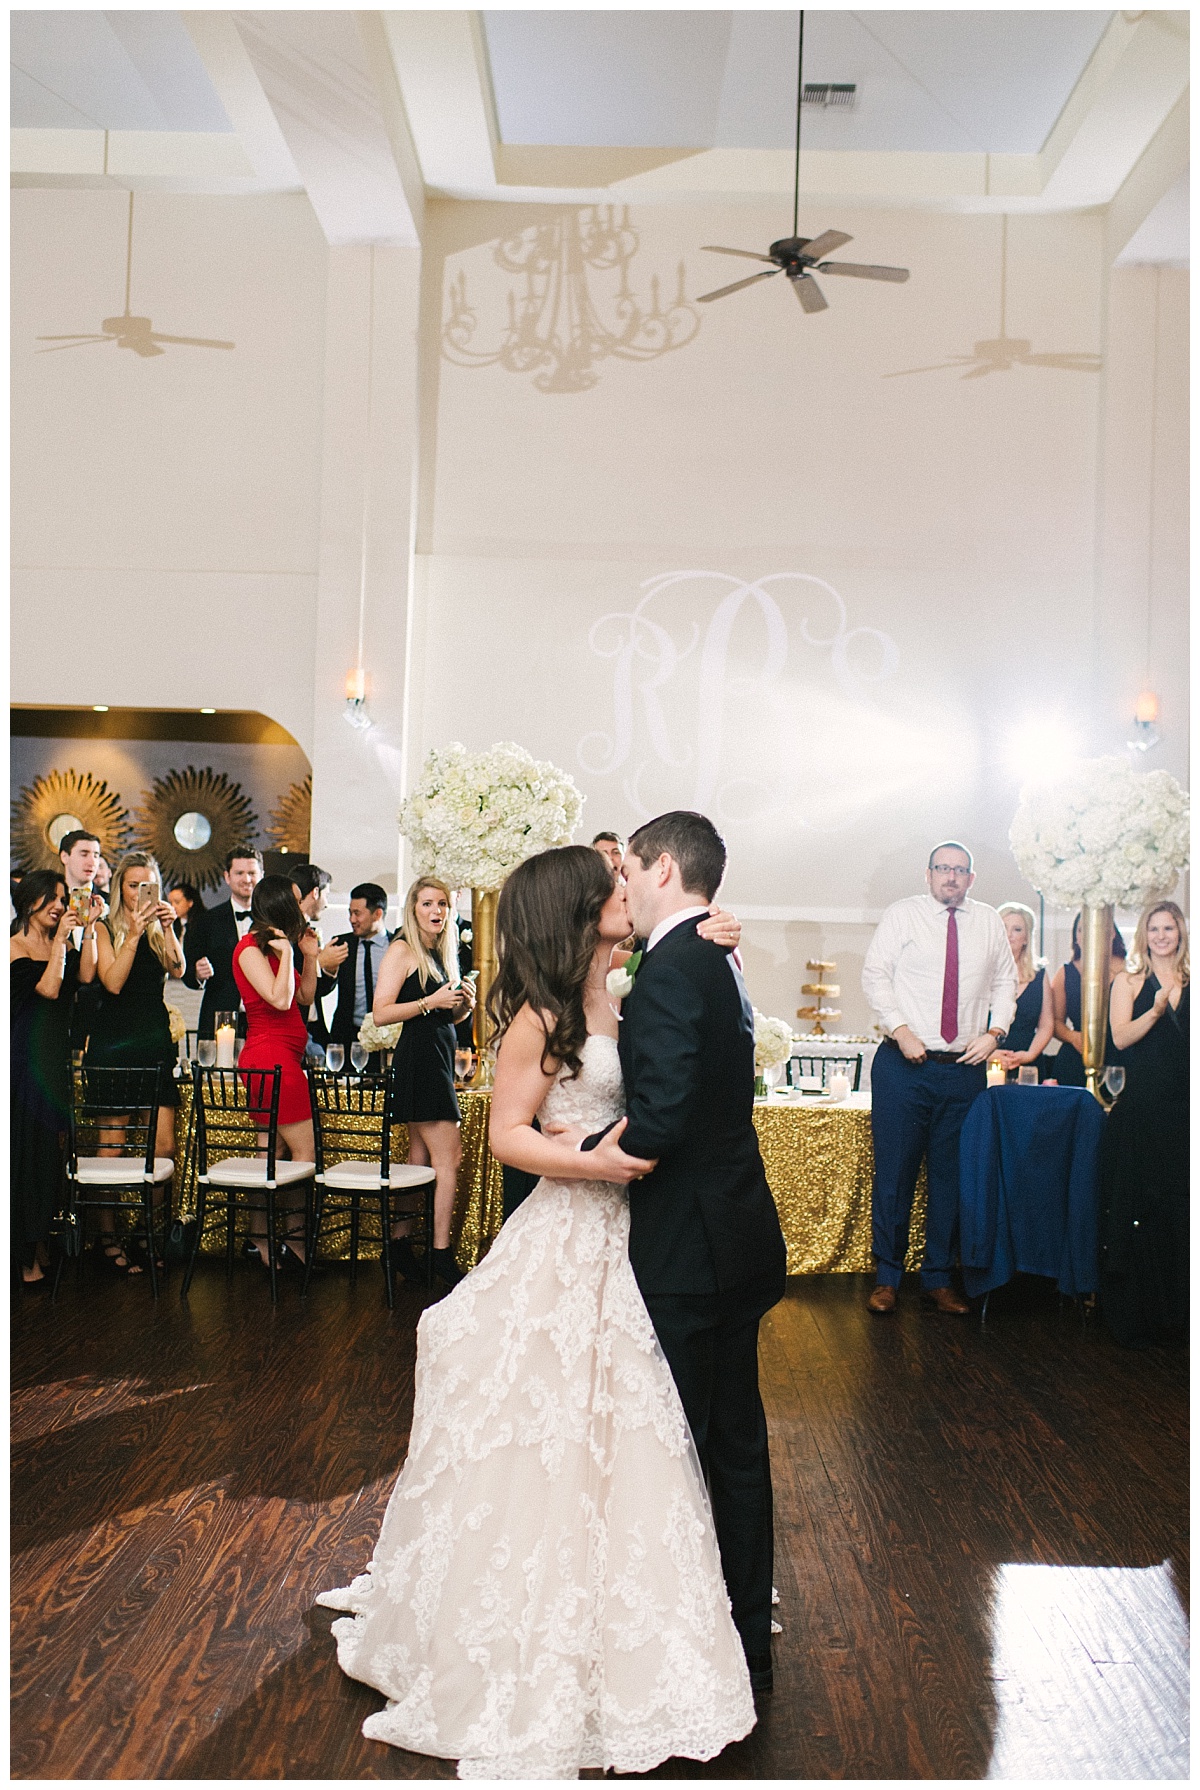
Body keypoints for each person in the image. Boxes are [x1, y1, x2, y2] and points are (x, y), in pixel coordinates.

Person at [317, 844, 757, 1777]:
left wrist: (709, 937)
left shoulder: (626, 990)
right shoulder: (542, 1012)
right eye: (610, 886)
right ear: (579, 908)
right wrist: (592, 1160)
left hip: (626, 1240)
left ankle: (619, 1617)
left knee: (623, 1438)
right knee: (545, 1435)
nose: (625, 888)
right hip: (569, 1228)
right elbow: (509, 1136)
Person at [861, 841, 1016, 1315]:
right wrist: (901, 1028)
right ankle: (887, 1278)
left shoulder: (988, 920)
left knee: (951, 1178)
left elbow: (1005, 982)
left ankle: (937, 1277)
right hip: (904, 1065)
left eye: (960, 870)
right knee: (894, 1174)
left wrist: (996, 1032)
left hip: (963, 1071)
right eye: (943, 868)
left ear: (971, 879)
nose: (951, 877)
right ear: (928, 875)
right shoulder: (902, 915)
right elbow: (874, 974)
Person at [372, 878, 475, 1288]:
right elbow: (380, 1014)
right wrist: (431, 1002)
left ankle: (398, 1246)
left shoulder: (442, 952)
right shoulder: (402, 949)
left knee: (418, 1161)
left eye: (443, 904)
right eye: (428, 903)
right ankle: (440, 1254)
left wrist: (462, 1004)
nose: (437, 911)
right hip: (421, 1060)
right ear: (413, 909)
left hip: (436, 1055)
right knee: (448, 1159)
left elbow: (445, 1019)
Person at [85, 852, 185, 1272]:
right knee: (112, 1147)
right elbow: (112, 982)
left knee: (162, 1147)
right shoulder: (106, 928)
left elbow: (178, 969)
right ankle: (107, 1240)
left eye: (148, 884)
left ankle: (148, 1235)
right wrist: (133, 935)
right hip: (114, 1041)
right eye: (132, 884)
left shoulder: (161, 927)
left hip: (154, 1038)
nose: (140, 892)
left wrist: (168, 927)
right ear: (119, 888)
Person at [1099, 901, 1189, 1349]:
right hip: (1141, 1111)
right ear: (1143, 935)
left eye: (1168, 928)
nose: (1160, 936)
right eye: (1153, 928)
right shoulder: (1128, 981)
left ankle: (1181, 1316)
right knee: (1140, 1208)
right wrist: (1153, 1010)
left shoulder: (1192, 980)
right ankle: (1138, 1314)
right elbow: (1119, 1038)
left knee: (1180, 1210)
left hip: (1184, 1113)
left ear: (1180, 932)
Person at [11, 871, 102, 1285]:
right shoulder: (13, 948)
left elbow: (84, 978)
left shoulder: (59, 943)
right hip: (23, 1064)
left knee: (50, 1160)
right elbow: (48, 989)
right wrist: (62, 944)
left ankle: (41, 1246)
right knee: (26, 1160)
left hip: (55, 1062)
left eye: (64, 898)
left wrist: (92, 929)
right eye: (52, 896)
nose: (59, 904)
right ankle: (24, 1259)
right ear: (30, 901)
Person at [232, 875, 321, 1269]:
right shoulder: (249, 948)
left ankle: (261, 1237)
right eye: (298, 902)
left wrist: (310, 957)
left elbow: (304, 997)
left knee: (272, 1153)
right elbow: (279, 998)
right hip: (270, 1060)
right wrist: (287, 954)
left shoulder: (277, 949)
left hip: (284, 1056)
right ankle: (298, 1242)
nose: (302, 909)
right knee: (305, 1152)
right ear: (282, 904)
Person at [184, 847, 263, 1038]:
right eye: (239, 873)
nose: (246, 879)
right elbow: (187, 973)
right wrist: (197, 973)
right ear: (227, 877)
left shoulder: (275, 921)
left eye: (252, 873)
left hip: (264, 1022)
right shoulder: (206, 921)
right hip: (220, 1020)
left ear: (262, 875)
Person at [316, 882, 391, 1066]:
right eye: (350, 913)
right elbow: (322, 990)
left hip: (388, 1040)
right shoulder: (341, 944)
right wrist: (328, 969)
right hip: (348, 1038)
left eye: (357, 913)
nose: (352, 919)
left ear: (377, 913)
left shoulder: (397, 945)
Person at [1049, 912, 1127, 1087]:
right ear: (1076, 938)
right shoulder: (1065, 974)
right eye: (1081, 930)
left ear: (1112, 932)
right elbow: (1054, 1022)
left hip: (1120, 1056)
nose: (1088, 934)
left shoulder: (1130, 970)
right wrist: (1072, 1036)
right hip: (1077, 1056)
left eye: (1096, 927)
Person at [994, 902, 1054, 1078]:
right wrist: (988, 1054)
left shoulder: (1039, 976)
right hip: (988, 1061)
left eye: (1017, 929)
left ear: (1027, 937)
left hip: (1028, 1063)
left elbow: (1046, 1025)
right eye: (1004, 927)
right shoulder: (982, 971)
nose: (1009, 935)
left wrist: (1030, 1054)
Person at [289, 863, 332, 1049]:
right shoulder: (286, 932)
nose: (327, 903)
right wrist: (317, 962)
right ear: (315, 892)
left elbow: (318, 991)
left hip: (313, 1027)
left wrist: (330, 969)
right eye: (326, 895)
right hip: (291, 1027)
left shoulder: (311, 932)